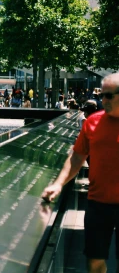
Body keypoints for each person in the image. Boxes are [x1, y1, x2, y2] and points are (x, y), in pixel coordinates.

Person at [43, 73, 119, 273]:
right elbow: (77, 157)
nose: (103, 100)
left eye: (109, 96)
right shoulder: (92, 122)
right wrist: (59, 183)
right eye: (103, 95)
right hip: (98, 203)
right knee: (94, 261)